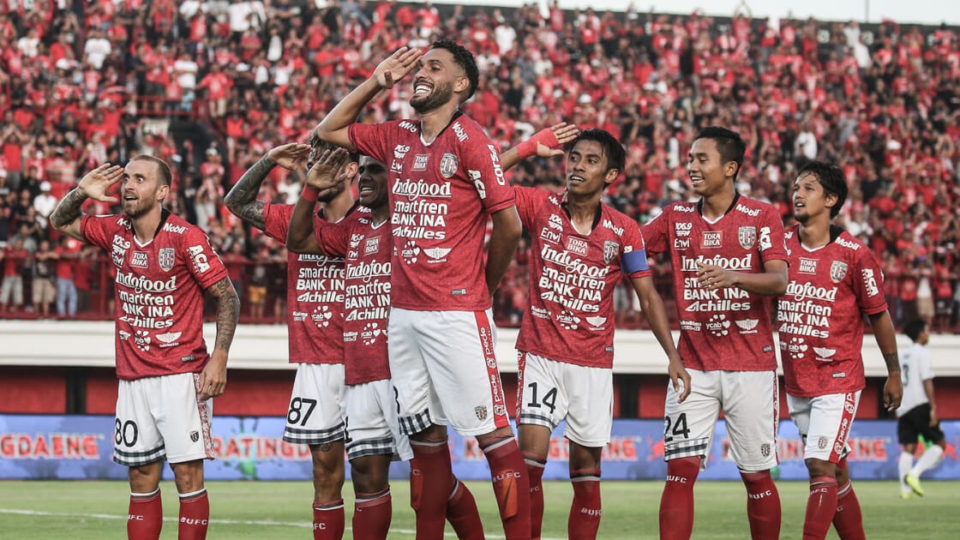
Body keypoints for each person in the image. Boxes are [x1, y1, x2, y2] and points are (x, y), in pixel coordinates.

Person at [313, 41, 528, 538]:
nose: (421, 73)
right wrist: (376, 81)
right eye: (420, 66)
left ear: (461, 86)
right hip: (402, 316)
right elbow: (327, 131)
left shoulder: (472, 140)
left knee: (494, 434)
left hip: (455, 313)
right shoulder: (397, 136)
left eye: (435, 67)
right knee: (425, 439)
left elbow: (510, 225)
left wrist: (483, 288)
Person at [287, 148, 485, 540]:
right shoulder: (355, 225)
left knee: (431, 487)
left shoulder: (412, 227)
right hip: (359, 370)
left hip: (405, 368)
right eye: (361, 170)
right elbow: (298, 239)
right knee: (365, 476)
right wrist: (310, 190)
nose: (365, 177)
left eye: (376, 170)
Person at [502, 127, 689, 539]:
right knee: (527, 463)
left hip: (593, 363)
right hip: (541, 355)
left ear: (611, 175)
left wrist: (672, 356)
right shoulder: (539, 206)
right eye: (574, 158)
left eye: (590, 161)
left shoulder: (625, 231)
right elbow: (485, 178)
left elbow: (646, 295)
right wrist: (529, 148)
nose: (577, 166)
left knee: (586, 475)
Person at [50, 158, 239, 540]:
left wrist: (218, 358)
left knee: (186, 474)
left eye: (140, 179)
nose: (128, 186)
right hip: (133, 376)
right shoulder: (115, 230)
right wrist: (80, 193)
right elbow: (61, 221)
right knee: (140, 475)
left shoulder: (187, 237)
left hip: (182, 376)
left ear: (163, 191)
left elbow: (227, 297)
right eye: (126, 179)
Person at [642, 126, 788, 540]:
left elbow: (779, 281)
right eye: (690, 159)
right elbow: (629, 244)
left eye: (701, 159)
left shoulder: (762, 216)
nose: (691, 167)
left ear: (730, 168)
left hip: (751, 366)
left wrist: (733, 277)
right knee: (679, 471)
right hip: (693, 366)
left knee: (757, 476)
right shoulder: (675, 217)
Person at [224, 140, 359, 539]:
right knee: (324, 474)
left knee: (371, 473)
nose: (318, 167)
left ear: (352, 170)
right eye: (313, 161)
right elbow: (236, 202)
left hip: (368, 360)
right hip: (316, 362)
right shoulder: (296, 218)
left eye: (331, 161)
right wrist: (268, 160)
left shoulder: (372, 220)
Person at [779, 161, 903, 539]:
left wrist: (894, 372)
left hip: (838, 378)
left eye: (809, 188)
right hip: (797, 380)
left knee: (819, 465)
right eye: (796, 186)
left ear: (831, 199)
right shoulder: (780, 246)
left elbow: (879, 315)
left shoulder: (855, 255)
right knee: (836, 472)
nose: (798, 193)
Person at [897, 318, 946, 498]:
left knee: (909, 447)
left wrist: (896, 408)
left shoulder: (902, 355)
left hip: (903, 407)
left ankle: (905, 492)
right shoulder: (922, 353)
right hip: (919, 404)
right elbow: (927, 380)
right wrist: (932, 408)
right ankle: (914, 475)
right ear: (920, 334)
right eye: (926, 330)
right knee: (940, 444)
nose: (928, 334)